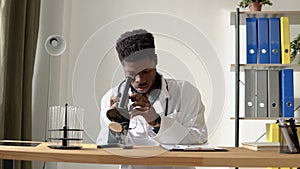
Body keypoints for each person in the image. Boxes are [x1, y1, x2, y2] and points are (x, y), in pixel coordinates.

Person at [97, 29, 208, 169]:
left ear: (155, 60)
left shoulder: (186, 92)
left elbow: (199, 141)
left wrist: (156, 121)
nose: (139, 80)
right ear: (123, 68)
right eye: (132, 73)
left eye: (146, 71)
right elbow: (108, 148)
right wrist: (117, 126)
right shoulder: (110, 98)